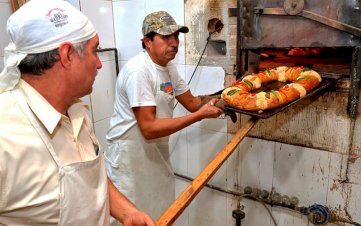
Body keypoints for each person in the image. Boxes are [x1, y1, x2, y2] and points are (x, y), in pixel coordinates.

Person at [0, 0, 155, 225]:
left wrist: (128, 213)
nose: (100, 64)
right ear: (67, 55)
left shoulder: (76, 110)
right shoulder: (6, 135)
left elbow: (92, 178)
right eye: (94, 51)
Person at [104, 11, 225, 223]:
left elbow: (193, 103)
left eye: (176, 36)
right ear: (147, 41)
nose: (174, 43)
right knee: (131, 215)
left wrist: (228, 98)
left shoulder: (168, 68)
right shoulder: (139, 71)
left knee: (157, 212)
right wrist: (199, 116)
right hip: (129, 158)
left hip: (154, 154)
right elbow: (149, 128)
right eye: (166, 37)